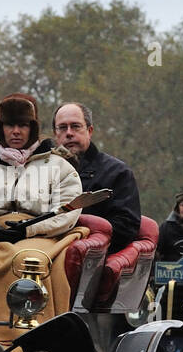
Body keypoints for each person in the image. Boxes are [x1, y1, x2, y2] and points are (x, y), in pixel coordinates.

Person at [0, 93, 83, 342]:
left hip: (41, 233)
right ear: (0, 129)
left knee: (29, 261)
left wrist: (28, 229)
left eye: (23, 125)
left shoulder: (60, 166)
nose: (16, 131)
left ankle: (28, 340)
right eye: (10, 125)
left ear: (34, 128)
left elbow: (68, 211)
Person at [52, 102, 143, 253]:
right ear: (55, 134)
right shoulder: (41, 171)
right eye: (62, 127)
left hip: (91, 257)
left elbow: (126, 226)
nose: (69, 133)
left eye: (75, 126)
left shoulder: (117, 173)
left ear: (90, 130)